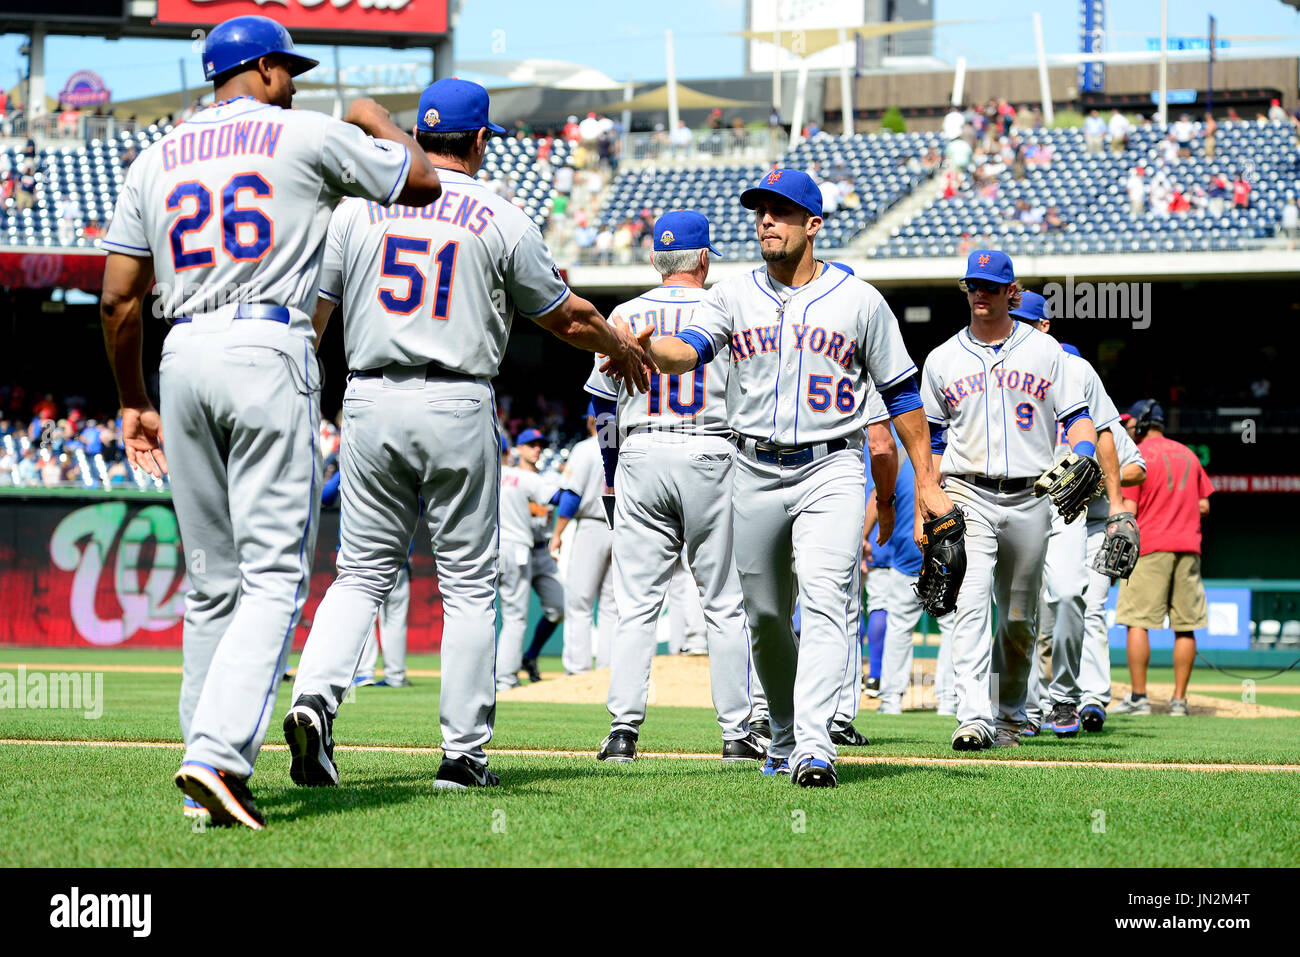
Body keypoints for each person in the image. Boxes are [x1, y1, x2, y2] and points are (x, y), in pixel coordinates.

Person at [98, 14, 443, 829]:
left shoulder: (153, 156)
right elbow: (422, 183)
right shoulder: (302, 133)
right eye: (283, 66)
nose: (293, 78)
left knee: (211, 580)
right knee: (272, 578)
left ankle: (204, 774)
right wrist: (379, 120)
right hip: (264, 342)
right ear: (253, 69)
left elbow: (117, 298)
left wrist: (129, 397)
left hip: (180, 353)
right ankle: (215, 755)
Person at [282, 77, 651, 795]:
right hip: (455, 398)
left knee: (358, 573)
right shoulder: (498, 215)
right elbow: (567, 317)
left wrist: (305, 401)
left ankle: (316, 699)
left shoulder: (359, 208)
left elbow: (316, 315)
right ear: (480, 140)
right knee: (469, 586)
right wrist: (619, 342)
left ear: (419, 136)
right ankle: (461, 755)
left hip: (367, 394)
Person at [628, 168, 952, 787]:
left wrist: (927, 481)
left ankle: (814, 745)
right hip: (750, 467)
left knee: (827, 600)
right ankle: (779, 731)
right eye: (760, 212)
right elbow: (688, 350)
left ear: (813, 225)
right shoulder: (731, 295)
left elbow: (903, 394)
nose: (766, 222)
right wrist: (650, 348)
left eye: (780, 211)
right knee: (767, 615)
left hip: (832, 464)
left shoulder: (859, 299)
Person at [583, 209, 764, 763]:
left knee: (636, 604)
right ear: (704, 259)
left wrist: (613, 478)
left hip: (641, 451)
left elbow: (600, 405)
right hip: (712, 448)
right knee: (725, 604)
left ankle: (622, 733)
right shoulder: (724, 306)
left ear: (656, 260)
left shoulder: (624, 313)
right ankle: (737, 732)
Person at [922, 252, 1098, 751]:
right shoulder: (942, 358)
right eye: (973, 286)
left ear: (1011, 292)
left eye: (991, 287)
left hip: (1030, 497)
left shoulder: (1046, 353)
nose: (981, 294)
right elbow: (932, 444)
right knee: (971, 603)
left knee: (1020, 618)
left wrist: (1083, 450)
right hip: (966, 492)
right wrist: (926, 505)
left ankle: (1010, 713)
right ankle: (973, 716)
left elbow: (1077, 415)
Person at [1012, 293, 1128, 738]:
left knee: (1067, 595)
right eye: (1012, 318)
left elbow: (1104, 437)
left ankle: (1064, 696)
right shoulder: (1000, 368)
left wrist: (1116, 505)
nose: (1016, 326)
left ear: (1044, 326)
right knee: (1020, 609)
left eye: (1024, 320)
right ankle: (1024, 704)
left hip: (1066, 501)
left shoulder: (1077, 369)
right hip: (1015, 499)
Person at [1113, 401, 1212, 717]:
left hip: (1151, 546)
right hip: (1188, 547)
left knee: (1137, 622)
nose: (1128, 430)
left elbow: (1130, 510)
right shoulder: (1189, 454)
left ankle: (1139, 699)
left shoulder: (1139, 458)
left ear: (1142, 425)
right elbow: (1204, 505)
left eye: (1131, 425)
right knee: (1185, 626)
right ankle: (1179, 702)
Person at [550, 408, 618, 675]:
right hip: (621, 528)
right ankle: (607, 670)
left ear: (592, 420)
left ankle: (578, 670)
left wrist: (557, 533)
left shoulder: (585, 448)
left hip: (592, 526)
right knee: (612, 606)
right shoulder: (625, 447)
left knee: (579, 602)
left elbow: (571, 498)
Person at [496, 431, 565, 691]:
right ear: (518, 449)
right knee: (514, 616)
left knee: (558, 608)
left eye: (540, 445)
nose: (536, 449)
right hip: (521, 548)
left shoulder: (549, 478)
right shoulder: (517, 477)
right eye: (531, 445)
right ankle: (505, 675)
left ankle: (531, 655)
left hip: (541, 550)